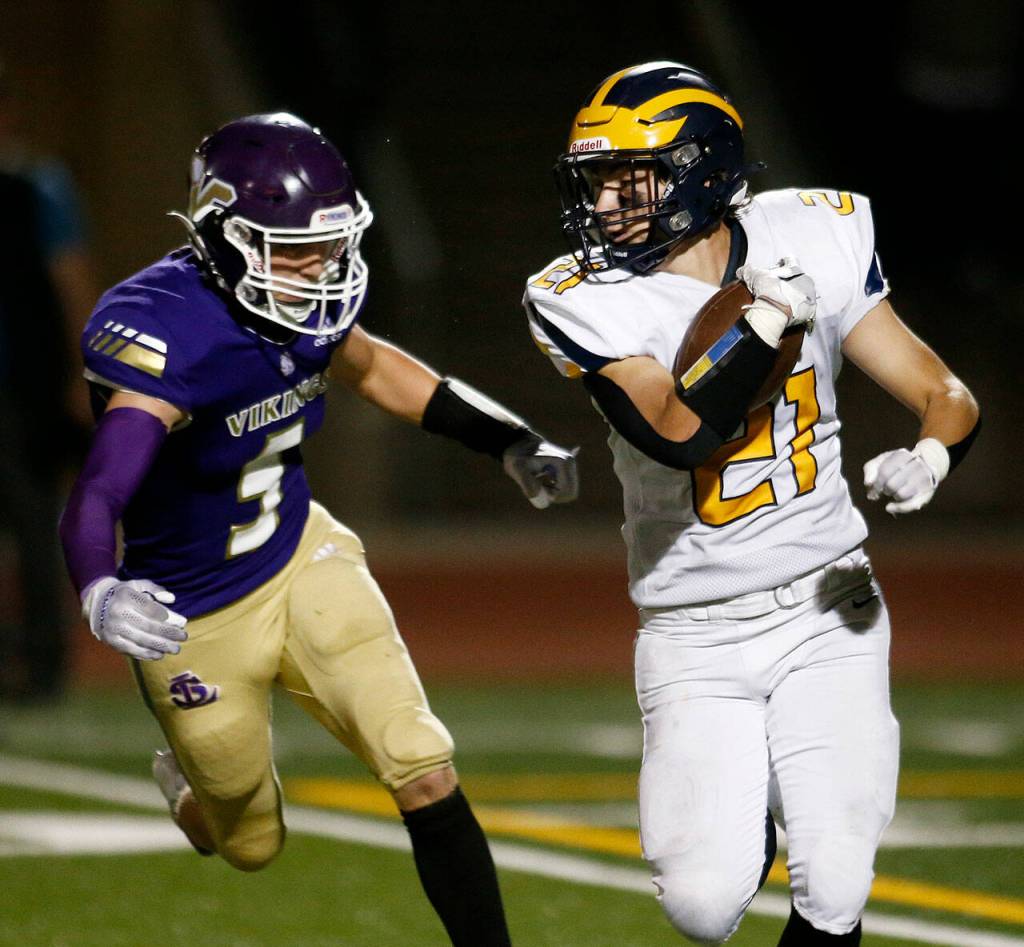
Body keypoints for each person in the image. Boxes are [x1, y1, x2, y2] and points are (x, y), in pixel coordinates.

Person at [58, 112, 578, 947]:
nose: (320, 267)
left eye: (330, 243)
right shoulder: (165, 329)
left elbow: (373, 367)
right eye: (292, 246)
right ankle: (190, 789)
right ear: (224, 235)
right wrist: (99, 585)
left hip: (302, 555)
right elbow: (100, 487)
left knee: (421, 762)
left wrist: (508, 439)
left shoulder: (308, 299)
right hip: (194, 613)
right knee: (249, 843)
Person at [522, 62, 980, 944]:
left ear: (698, 170)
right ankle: (756, 811)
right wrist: (762, 326)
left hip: (827, 599)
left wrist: (930, 455)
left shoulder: (813, 231)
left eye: (630, 174)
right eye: (597, 178)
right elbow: (677, 431)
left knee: (837, 878)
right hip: (692, 626)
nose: (606, 199)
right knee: (702, 907)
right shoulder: (576, 295)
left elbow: (945, 391)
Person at [0, 60, 99, 702]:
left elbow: (71, 278)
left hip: (21, 387)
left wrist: (86, 372)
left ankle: (42, 662)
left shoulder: (37, 186)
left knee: (34, 518)